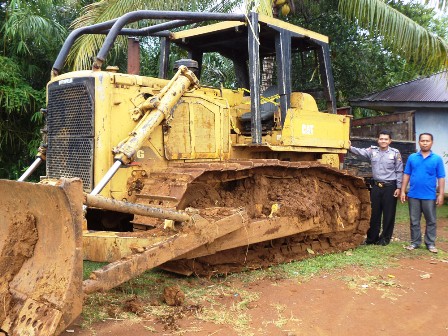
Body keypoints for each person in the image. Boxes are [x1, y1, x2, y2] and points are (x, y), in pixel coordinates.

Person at [349, 130, 403, 245]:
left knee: (389, 214)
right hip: (376, 187)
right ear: (378, 140)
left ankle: (385, 239)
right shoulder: (372, 151)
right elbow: (360, 152)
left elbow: (399, 171)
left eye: (386, 139)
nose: (383, 141)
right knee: (374, 213)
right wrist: (349, 147)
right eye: (381, 139)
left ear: (390, 141)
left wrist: (399, 187)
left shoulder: (395, 153)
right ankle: (372, 238)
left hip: (390, 187)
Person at [400, 133, 445, 253]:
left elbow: (441, 177)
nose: (425, 143)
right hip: (413, 195)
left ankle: (430, 243)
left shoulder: (437, 159)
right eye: (422, 141)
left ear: (432, 142)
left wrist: (440, 194)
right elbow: (407, 174)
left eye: (427, 141)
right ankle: (415, 242)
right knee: (414, 221)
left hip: (429, 196)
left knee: (431, 220)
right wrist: (403, 190)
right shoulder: (412, 157)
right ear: (419, 142)